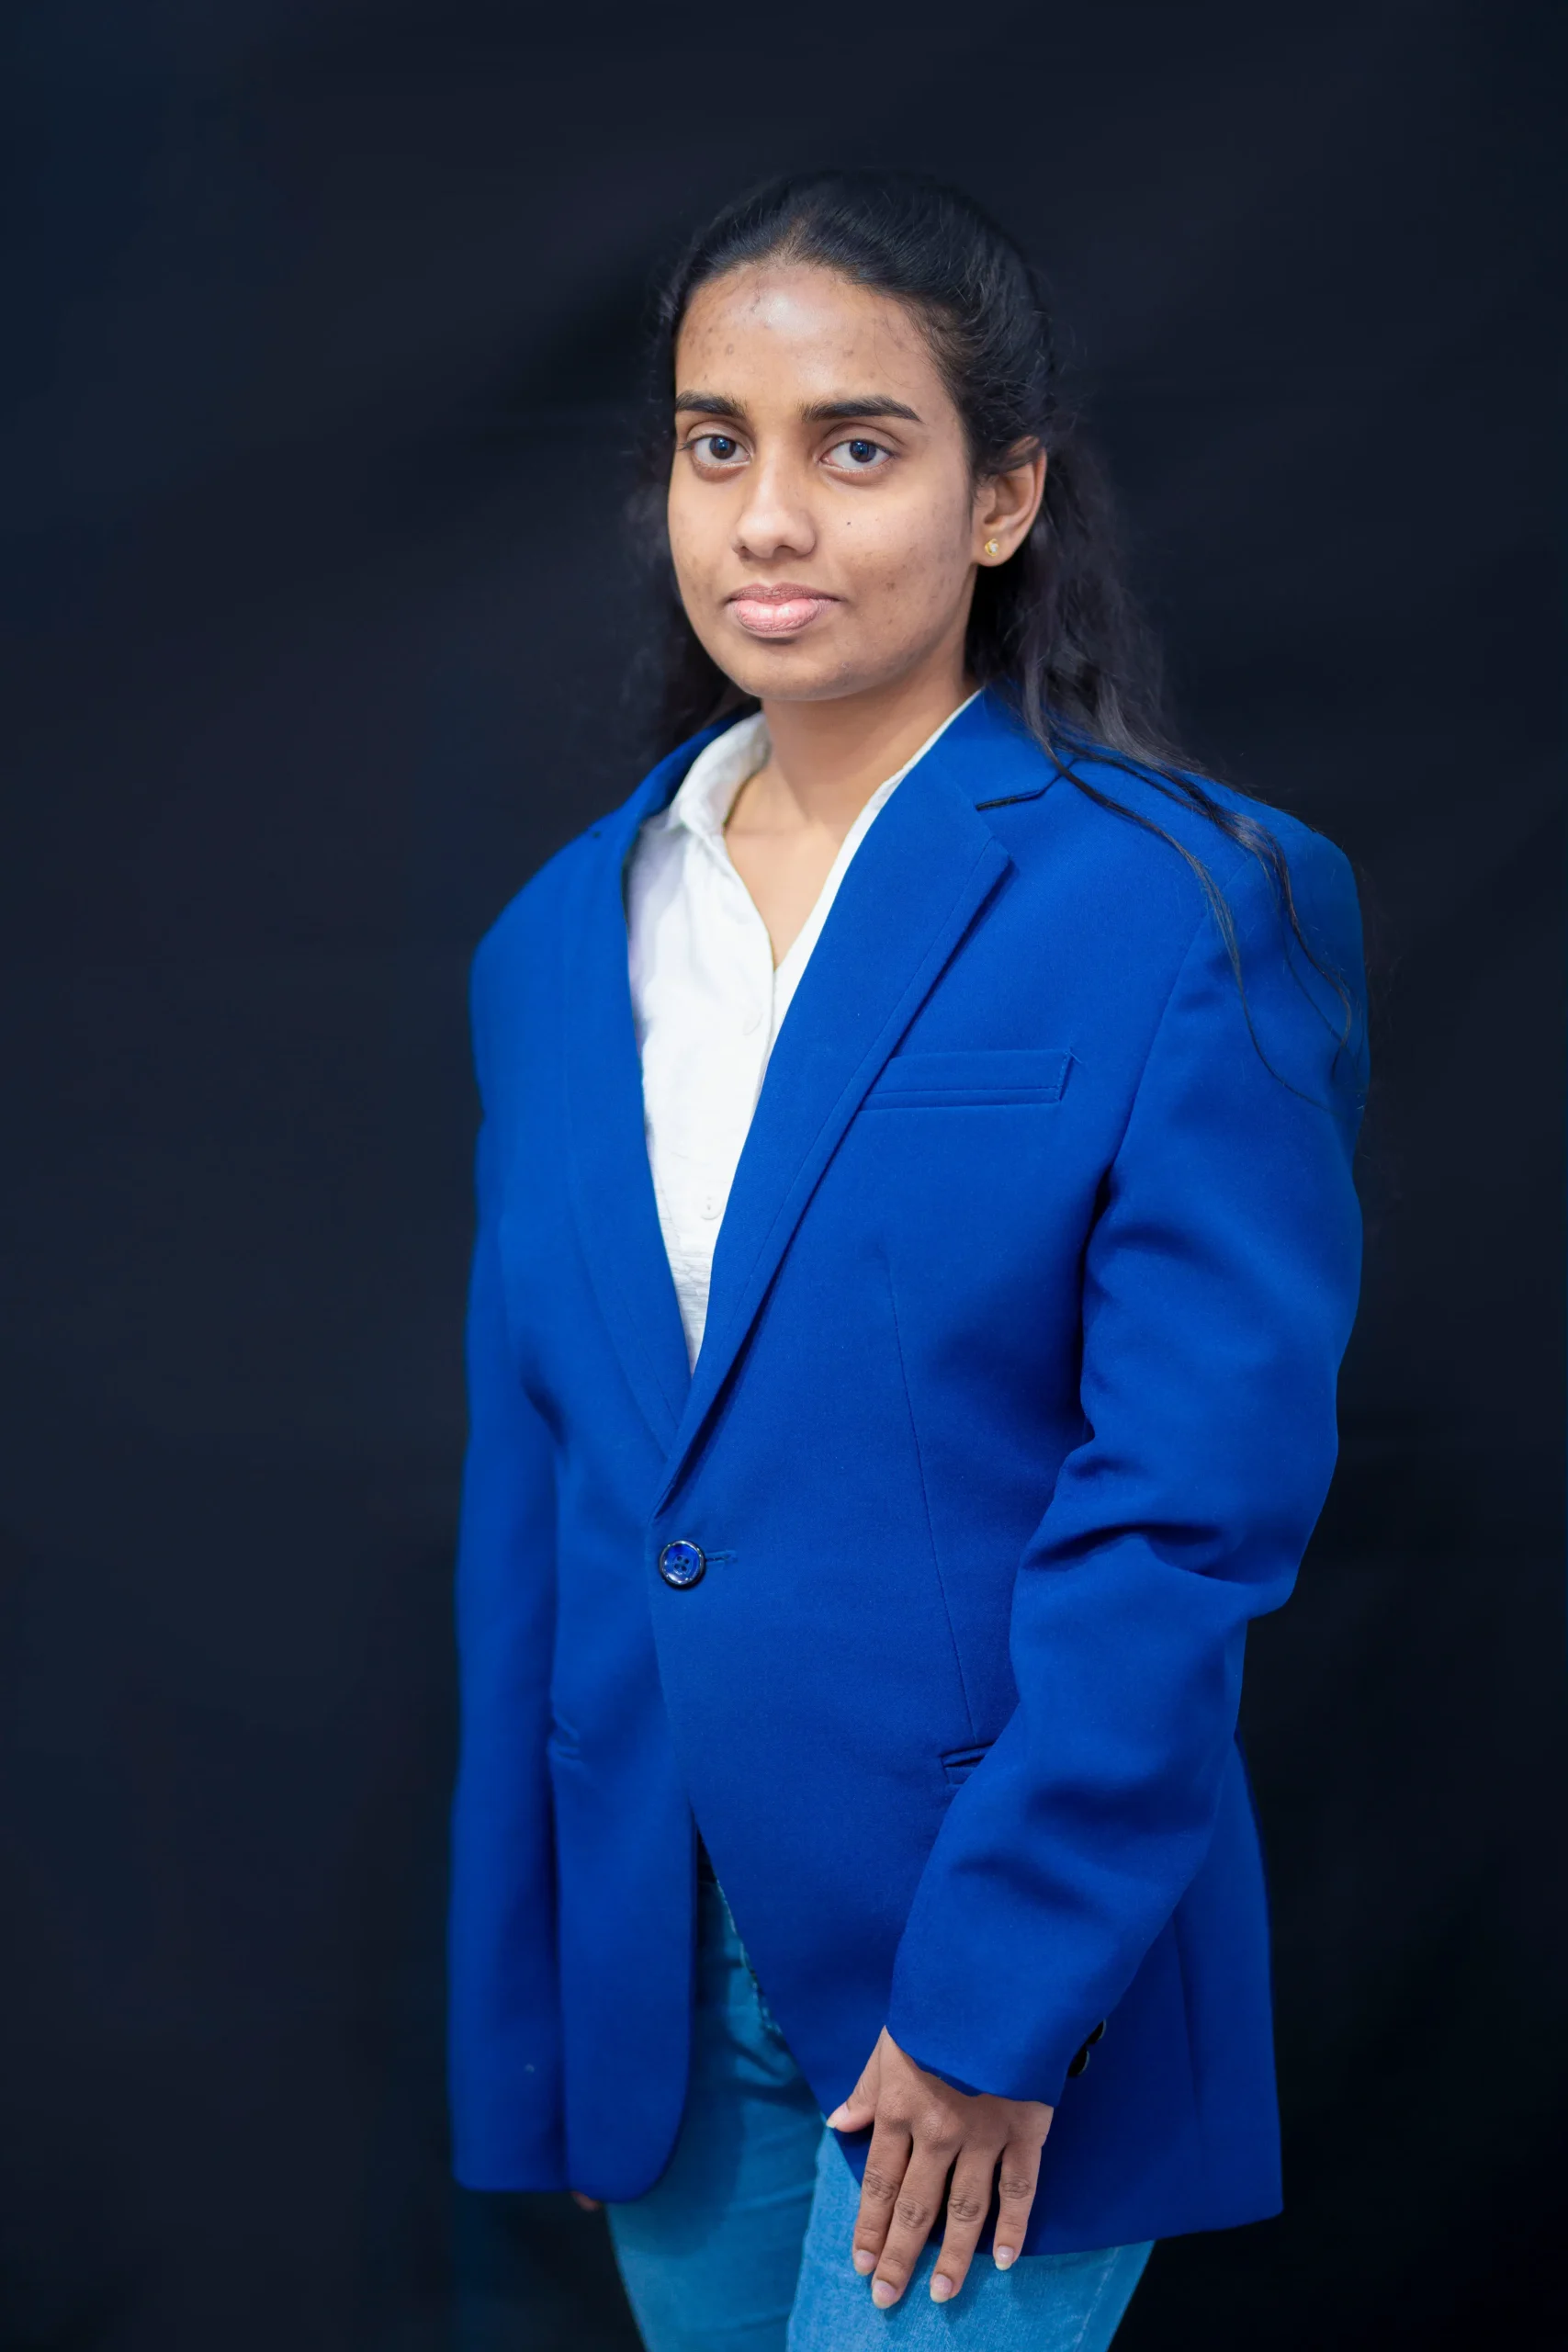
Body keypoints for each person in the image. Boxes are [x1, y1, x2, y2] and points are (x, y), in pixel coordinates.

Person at [446, 170, 1367, 2352]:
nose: (768, 515)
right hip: (655, 1972)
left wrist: (996, 1992)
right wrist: (541, 2005)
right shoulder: (557, 939)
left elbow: (1186, 1509)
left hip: (990, 1955)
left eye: (855, 445)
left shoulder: (1181, 903)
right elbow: (544, 1503)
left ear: (1000, 496)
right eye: (718, 443)